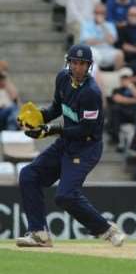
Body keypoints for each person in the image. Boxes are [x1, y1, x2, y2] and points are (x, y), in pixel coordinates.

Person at [15, 44, 126, 247]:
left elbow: (84, 129)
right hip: (66, 143)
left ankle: (107, 230)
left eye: (83, 64)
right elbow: (57, 108)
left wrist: (50, 130)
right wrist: (38, 118)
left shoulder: (91, 92)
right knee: (28, 175)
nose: (78, 67)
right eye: (75, 62)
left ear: (89, 66)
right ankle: (39, 233)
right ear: (69, 62)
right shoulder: (62, 78)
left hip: (86, 147)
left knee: (65, 196)